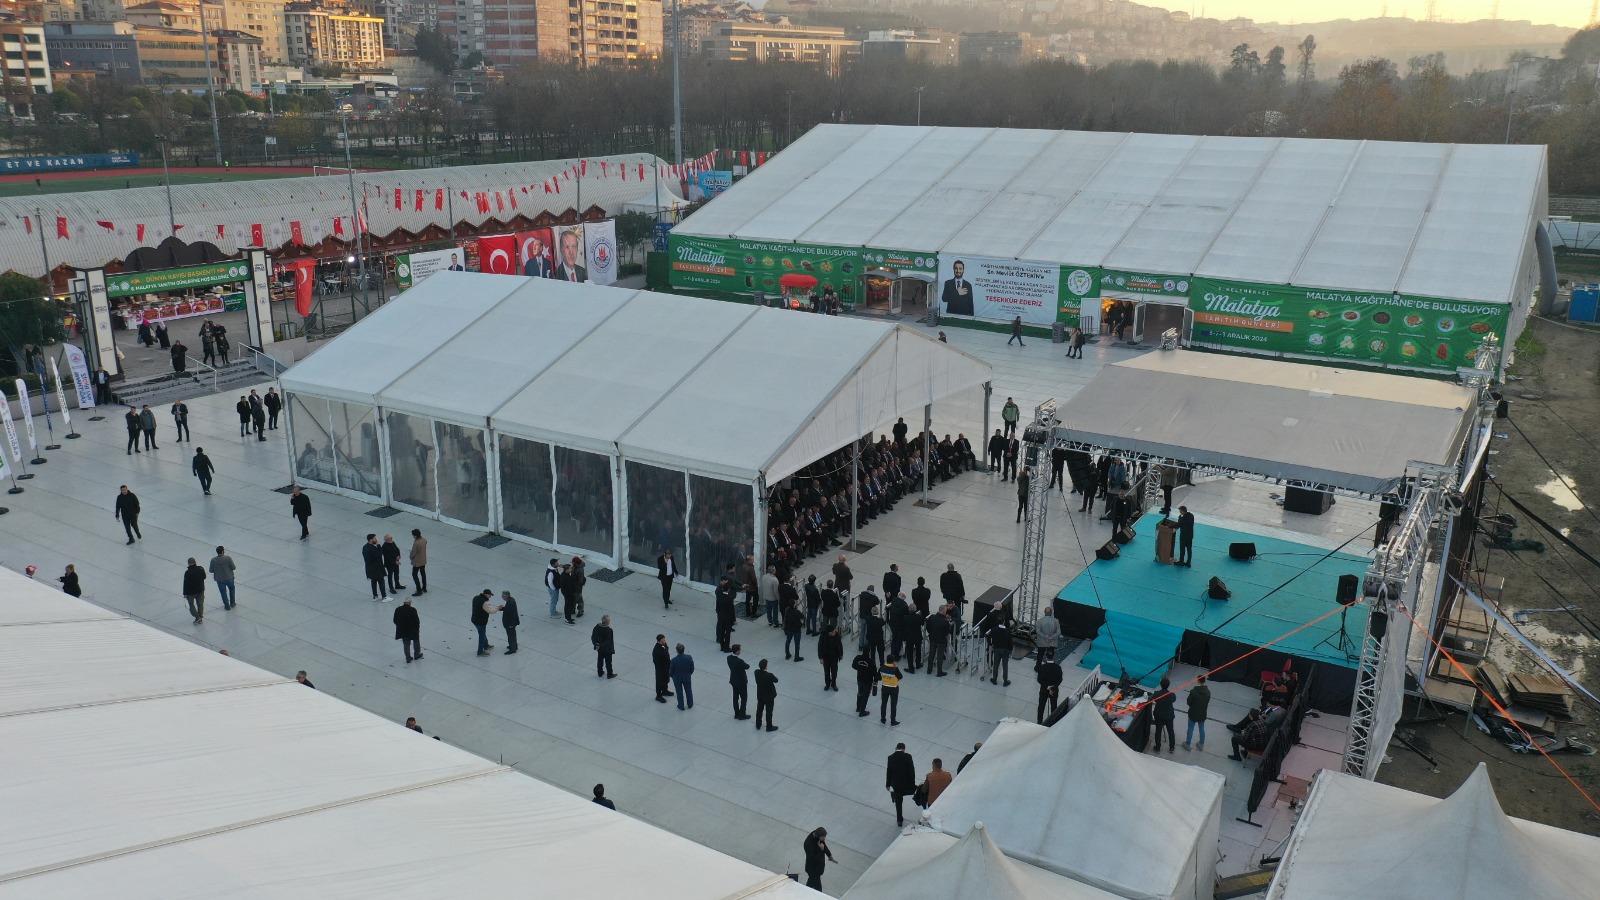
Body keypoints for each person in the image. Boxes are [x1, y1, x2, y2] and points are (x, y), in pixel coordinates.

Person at [886, 742, 917, 826]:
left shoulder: (890, 758)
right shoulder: (908, 756)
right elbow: (911, 771)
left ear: (896, 748)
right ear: (904, 749)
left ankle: (899, 820)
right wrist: (913, 783)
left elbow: (889, 772)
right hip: (907, 784)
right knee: (917, 792)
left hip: (896, 786)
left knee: (898, 802)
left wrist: (888, 784)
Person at [802, 827, 837, 892]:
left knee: (809, 885)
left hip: (818, 868)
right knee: (818, 890)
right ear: (818, 836)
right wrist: (821, 850)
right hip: (813, 870)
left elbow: (824, 845)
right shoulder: (808, 844)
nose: (824, 839)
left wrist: (829, 855)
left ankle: (804, 893)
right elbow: (813, 859)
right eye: (823, 837)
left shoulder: (817, 835)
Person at [1183, 675, 1211, 750]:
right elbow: (1207, 702)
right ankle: (1201, 744)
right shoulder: (1208, 692)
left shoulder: (1193, 691)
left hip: (1193, 713)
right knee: (1201, 728)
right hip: (1202, 713)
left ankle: (1188, 744)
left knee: (1190, 728)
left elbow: (1189, 702)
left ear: (1198, 680)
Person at [470, 588, 499, 657]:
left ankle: (486, 645)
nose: (490, 596)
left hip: (474, 619)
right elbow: (491, 611)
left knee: (482, 633)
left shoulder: (475, 598)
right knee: (481, 635)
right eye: (489, 595)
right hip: (481, 621)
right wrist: (498, 608)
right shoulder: (484, 603)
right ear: (486, 594)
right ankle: (480, 651)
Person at [925, 605, 952, 677]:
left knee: (931, 654)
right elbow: (947, 632)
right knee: (940, 656)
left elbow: (928, 627)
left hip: (932, 638)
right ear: (943, 612)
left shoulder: (931, 617)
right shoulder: (945, 622)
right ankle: (939, 671)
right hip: (941, 640)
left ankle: (929, 669)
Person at [1152, 676, 1177, 752]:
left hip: (1159, 716)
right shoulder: (1172, 695)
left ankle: (1158, 748)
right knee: (1170, 731)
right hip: (1169, 716)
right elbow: (1174, 700)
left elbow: (1154, 699)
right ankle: (1172, 747)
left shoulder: (1157, 694)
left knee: (1158, 731)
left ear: (1160, 684)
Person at [1035, 655, 1063, 723]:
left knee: (1041, 706)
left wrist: (1047, 686)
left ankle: (1039, 721)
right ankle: (1053, 721)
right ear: (1053, 657)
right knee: (1053, 705)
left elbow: (1039, 679)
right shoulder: (1058, 667)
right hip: (1054, 689)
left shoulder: (1042, 667)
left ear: (1046, 658)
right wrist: (1053, 686)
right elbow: (1060, 679)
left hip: (1044, 689)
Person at [394, 597, 422, 663]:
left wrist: (400, 626)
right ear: (409, 603)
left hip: (403, 630)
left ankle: (408, 658)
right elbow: (417, 621)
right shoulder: (413, 610)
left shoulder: (398, 609)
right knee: (416, 642)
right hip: (413, 629)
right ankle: (416, 655)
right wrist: (417, 628)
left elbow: (395, 620)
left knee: (406, 644)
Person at [753, 658, 778, 731]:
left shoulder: (756, 672)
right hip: (769, 696)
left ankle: (758, 724)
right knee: (769, 711)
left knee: (759, 710)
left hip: (760, 695)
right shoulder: (769, 675)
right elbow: (776, 680)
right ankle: (769, 726)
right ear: (766, 667)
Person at [879, 653, 904, 726]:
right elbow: (900, 677)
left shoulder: (882, 667)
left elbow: (879, 677)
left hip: (884, 687)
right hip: (894, 688)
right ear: (893, 661)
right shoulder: (895, 669)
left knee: (883, 704)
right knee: (893, 705)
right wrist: (896, 667)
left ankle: (883, 719)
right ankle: (893, 721)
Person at [853, 646, 878, 717]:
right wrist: (875, 681)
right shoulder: (871, 661)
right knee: (865, 696)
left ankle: (858, 707)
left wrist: (860, 669)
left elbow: (853, 666)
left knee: (860, 693)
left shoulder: (858, 658)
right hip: (868, 681)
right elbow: (874, 673)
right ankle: (862, 711)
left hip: (859, 679)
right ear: (869, 651)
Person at [727, 644, 751, 719]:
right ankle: (742, 714)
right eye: (739, 650)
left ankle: (736, 713)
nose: (740, 651)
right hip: (741, 682)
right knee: (744, 698)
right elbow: (747, 666)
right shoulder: (739, 661)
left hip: (733, 680)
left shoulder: (729, 658)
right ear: (737, 651)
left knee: (735, 697)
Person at [715, 576, 738, 651]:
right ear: (728, 590)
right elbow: (732, 610)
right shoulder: (729, 598)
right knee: (727, 633)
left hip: (721, 617)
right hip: (728, 618)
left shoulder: (719, 597)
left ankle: (722, 646)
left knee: (722, 632)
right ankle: (726, 647)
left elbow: (717, 607)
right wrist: (733, 619)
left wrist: (719, 614)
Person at [209, 545, 237, 610]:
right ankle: (232, 603)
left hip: (219, 579)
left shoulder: (213, 560)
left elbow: (211, 570)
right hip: (229, 577)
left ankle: (227, 606)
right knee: (232, 589)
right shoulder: (228, 558)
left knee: (223, 593)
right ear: (222, 551)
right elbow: (234, 567)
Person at [669, 642, 694, 710]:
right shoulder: (689, 657)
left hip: (677, 678)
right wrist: (689, 673)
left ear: (677, 651)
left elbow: (671, 671)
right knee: (688, 690)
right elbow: (692, 668)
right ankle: (690, 704)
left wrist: (672, 676)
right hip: (687, 676)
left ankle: (681, 705)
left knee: (679, 691)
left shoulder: (674, 660)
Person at [362, 534, 388, 601]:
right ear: (370, 539)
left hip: (370, 568)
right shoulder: (372, 548)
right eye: (374, 538)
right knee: (381, 582)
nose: (376, 540)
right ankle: (384, 596)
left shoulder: (365, 547)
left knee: (373, 582)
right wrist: (379, 546)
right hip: (377, 569)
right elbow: (379, 554)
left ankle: (375, 596)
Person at [818, 625, 843, 691]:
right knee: (826, 672)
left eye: (835, 631)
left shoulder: (837, 636)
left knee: (834, 672)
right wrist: (820, 658)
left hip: (834, 657)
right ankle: (827, 684)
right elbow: (820, 647)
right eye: (833, 632)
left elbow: (840, 645)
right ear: (829, 632)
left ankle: (833, 684)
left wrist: (841, 654)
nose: (835, 632)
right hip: (826, 658)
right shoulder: (823, 637)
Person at [183, 557, 207, 624]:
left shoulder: (187, 573)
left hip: (191, 592)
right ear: (195, 562)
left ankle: (197, 617)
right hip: (200, 590)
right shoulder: (201, 569)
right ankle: (200, 617)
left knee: (191, 605)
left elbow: (186, 584)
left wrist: (185, 594)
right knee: (200, 604)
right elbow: (204, 577)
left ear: (188, 563)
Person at [989, 621, 1012, 686]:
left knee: (996, 665)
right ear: (1004, 621)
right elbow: (1010, 642)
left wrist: (990, 644)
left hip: (996, 649)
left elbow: (988, 636)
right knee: (1005, 666)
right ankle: (1005, 681)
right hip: (1005, 650)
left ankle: (994, 679)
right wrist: (1010, 650)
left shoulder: (994, 629)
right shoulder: (1008, 631)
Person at [782, 598, 805, 662]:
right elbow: (802, 617)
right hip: (796, 630)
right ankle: (796, 657)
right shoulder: (797, 612)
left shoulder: (787, 610)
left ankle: (787, 654)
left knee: (788, 642)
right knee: (797, 644)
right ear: (794, 605)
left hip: (789, 629)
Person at [652, 634, 672, 703]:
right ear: (658, 641)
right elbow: (656, 661)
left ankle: (664, 690)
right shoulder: (656, 650)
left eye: (664, 640)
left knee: (666, 679)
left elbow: (666, 649)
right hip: (660, 669)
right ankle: (658, 696)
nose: (664, 641)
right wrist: (662, 667)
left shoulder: (664, 645)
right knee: (659, 681)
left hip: (666, 667)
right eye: (662, 640)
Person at [500, 590, 521, 655]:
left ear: (506, 596)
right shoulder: (510, 600)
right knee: (512, 635)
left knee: (511, 635)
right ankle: (514, 646)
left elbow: (512, 614)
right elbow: (508, 610)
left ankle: (512, 649)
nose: (502, 597)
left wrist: (511, 624)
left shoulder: (510, 603)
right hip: (510, 623)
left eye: (503, 595)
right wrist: (502, 608)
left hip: (510, 623)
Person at [408, 529, 428, 594]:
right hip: (423, 560)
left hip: (417, 561)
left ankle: (419, 590)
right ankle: (424, 588)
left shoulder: (416, 543)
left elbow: (413, 553)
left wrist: (411, 557)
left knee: (414, 574)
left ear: (415, 536)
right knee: (423, 573)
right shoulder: (424, 540)